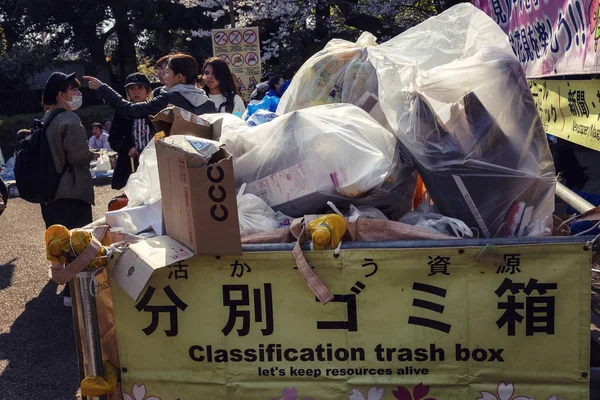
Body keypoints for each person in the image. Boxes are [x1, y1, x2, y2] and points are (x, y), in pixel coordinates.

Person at [41, 72, 95, 307]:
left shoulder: (46, 118)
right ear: (61, 95)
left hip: (50, 191)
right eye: (73, 89)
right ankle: (74, 293)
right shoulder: (70, 120)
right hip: (72, 189)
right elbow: (79, 156)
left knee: (59, 240)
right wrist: (92, 153)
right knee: (78, 242)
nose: (77, 93)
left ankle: (62, 281)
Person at [84, 53, 216, 119]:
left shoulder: (168, 98)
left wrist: (103, 88)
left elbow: (130, 110)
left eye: (168, 72)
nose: (164, 76)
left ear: (179, 77)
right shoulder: (208, 103)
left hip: (173, 163)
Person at [107, 72, 155, 190]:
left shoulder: (155, 109)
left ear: (147, 90)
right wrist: (127, 148)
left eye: (140, 88)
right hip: (131, 163)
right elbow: (113, 138)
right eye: (132, 88)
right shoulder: (122, 111)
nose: (136, 91)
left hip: (154, 162)